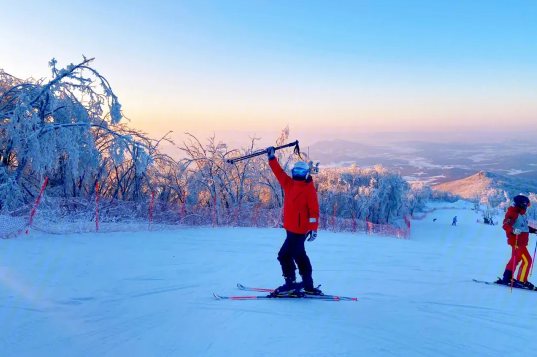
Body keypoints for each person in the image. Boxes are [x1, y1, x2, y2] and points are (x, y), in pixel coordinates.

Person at [266, 146, 322, 296]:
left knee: (284, 255)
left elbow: (314, 211)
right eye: (295, 172)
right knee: (299, 254)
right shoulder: (289, 184)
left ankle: (290, 283)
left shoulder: (308, 189)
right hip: (290, 229)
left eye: (301, 172)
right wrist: (272, 159)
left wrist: (313, 228)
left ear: (306, 174)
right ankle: (308, 284)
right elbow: (279, 173)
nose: (298, 174)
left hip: (300, 230)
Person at [497, 194, 537, 289]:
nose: (527, 207)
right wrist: (513, 230)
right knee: (527, 261)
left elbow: (524, 228)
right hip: (517, 243)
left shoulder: (521, 215)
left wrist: (534, 230)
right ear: (522, 204)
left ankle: (507, 278)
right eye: (527, 205)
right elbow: (505, 225)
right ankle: (521, 281)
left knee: (516, 259)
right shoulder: (513, 213)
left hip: (521, 243)